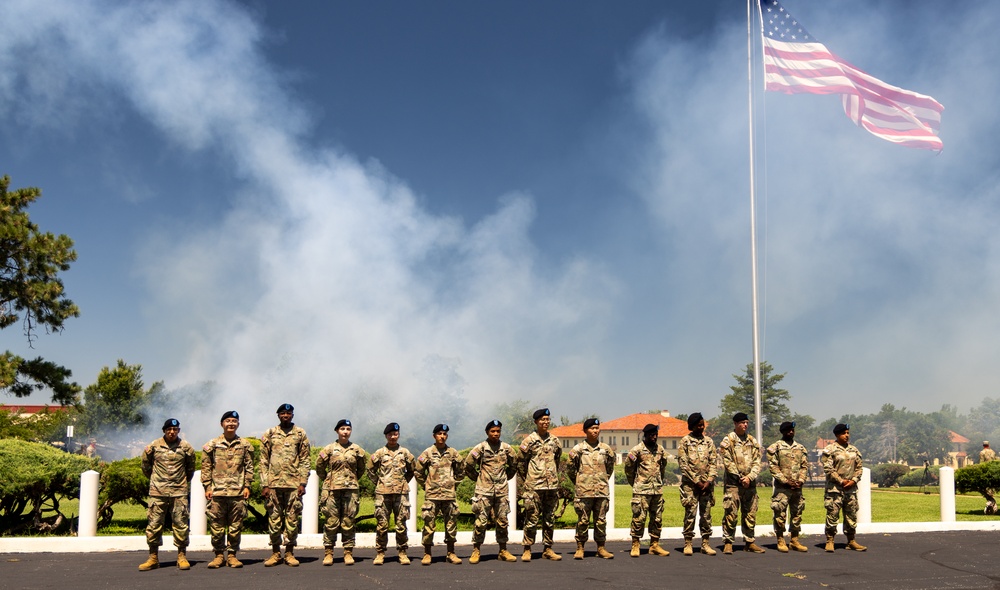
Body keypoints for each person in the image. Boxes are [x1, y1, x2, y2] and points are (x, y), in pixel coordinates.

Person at [138, 418, 196, 571]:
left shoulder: (186, 448)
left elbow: (190, 469)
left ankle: (181, 556)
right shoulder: (153, 447)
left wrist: (180, 482)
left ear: (178, 431)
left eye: (175, 430)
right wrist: (158, 480)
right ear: (164, 430)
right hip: (158, 492)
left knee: (181, 525)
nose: (172, 432)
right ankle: (153, 558)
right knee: (154, 525)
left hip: (179, 492)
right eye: (169, 429)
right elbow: (145, 466)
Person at [201, 410, 254, 569]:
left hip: (237, 492)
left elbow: (249, 467)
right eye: (228, 421)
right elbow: (205, 467)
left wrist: (247, 486)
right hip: (217, 492)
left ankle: (232, 555)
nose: (231, 423)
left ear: (238, 424)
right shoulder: (212, 445)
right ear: (222, 424)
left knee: (235, 525)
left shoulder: (245, 445)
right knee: (216, 526)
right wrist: (207, 486)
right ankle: (218, 555)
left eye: (234, 421)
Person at [260, 403, 311, 567]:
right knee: (274, 520)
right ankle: (275, 553)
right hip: (273, 485)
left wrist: (303, 482)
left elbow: (305, 459)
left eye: (288, 413)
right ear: (278, 416)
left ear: (292, 415)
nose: (286, 416)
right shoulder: (270, 433)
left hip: (293, 484)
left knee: (292, 520)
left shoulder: (300, 434)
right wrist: (265, 484)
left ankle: (289, 553)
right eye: (282, 413)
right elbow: (263, 461)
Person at [464, 419, 517, 564]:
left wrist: (506, 477)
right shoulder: (480, 448)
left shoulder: (506, 448)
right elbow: (468, 465)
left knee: (503, 522)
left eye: (498, 431)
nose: (495, 434)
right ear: (487, 432)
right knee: (480, 523)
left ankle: (503, 550)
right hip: (484, 492)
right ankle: (476, 550)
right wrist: (478, 478)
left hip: (501, 492)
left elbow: (514, 465)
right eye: (492, 431)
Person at [316, 419, 367, 566]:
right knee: (331, 522)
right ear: (337, 431)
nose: (345, 432)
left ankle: (348, 553)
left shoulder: (357, 450)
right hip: (332, 490)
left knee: (348, 521)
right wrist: (328, 479)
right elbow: (320, 467)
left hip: (350, 490)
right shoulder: (329, 449)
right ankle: (328, 553)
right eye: (342, 429)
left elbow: (361, 468)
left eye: (348, 429)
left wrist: (353, 480)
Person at [367, 422, 416, 565]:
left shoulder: (405, 453)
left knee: (401, 525)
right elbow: (370, 470)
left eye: (395, 434)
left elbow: (412, 470)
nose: (393, 437)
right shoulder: (379, 453)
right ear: (386, 436)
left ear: (398, 435)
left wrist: (403, 482)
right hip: (383, 494)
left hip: (401, 494)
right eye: (390, 434)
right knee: (382, 525)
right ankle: (380, 553)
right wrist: (379, 482)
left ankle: (402, 552)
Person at [566, 418, 615, 560]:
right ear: (585, 430)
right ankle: (580, 547)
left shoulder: (606, 449)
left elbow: (609, 468)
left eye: (597, 428)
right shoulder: (578, 449)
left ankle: (601, 547)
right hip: (584, 492)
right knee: (583, 521)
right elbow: (570, 468)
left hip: (601, 492)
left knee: (601, 521)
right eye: (592, 428)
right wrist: (580, 481)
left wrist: (601, 480)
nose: (595, 430)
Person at [415, 424, 464, 565]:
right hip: (432, 496)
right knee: (429, 525)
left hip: (449, 495)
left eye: (444, 434)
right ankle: (427, 554)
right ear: (434, 436)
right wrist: (427, 485)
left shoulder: (453, 453)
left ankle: (451, 553)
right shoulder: (427, 453)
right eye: (439, 434)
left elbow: (461, 471)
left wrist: (454, 484)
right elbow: (418, 472)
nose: (442, 436)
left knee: (451, 525)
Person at [519, 408, 563, 561]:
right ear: (536, 422)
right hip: (534, 487)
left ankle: (548, 549)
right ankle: (527, 549)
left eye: (547, 419)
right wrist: (529, 478)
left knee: (549, 518)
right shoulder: (529, 441)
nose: (545, 422)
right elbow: (521, 463)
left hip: (551, 486)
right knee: (531, 518)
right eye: (542, 420)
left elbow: (556, 460)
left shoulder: (555, 441)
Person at [719, 412, 764, 554]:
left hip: (749, 485)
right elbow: (728, 462)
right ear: (735, 424)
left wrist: (749, 477)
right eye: (742, 422)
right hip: (734, 485)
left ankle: (750, 542)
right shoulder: (728, 441)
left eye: (747, 422)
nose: (745, 425)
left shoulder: (752, 441)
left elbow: (758, 461)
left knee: (750, 514)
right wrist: (740, 477)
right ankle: (728, 542)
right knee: (731, 514)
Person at [623, 423, 670, 558]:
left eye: (656, 434)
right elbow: (629, 469)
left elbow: (662, 468)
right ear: (646, 435)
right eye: (651, 435)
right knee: (639, 518)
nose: (654, 437)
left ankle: (654, 545)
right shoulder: (636, 450)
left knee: (657, 519)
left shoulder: (660, 450)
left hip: (657, 491)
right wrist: (636, 484)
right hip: (641, 491)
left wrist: (659, 483)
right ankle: (635, 544)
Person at [821, 423, 867, 552]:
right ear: (837, 435)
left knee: (851, 515)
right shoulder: (829, 450)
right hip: (835, 490)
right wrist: (841, 481)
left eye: (848, 433)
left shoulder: (854, 450)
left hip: (850, 489)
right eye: (843, 433)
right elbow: (828, 469)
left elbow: (859, 468)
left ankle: (851, 540)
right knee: (832, 515)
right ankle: (830, 540)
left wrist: (853, 480)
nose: (846, 435)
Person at [678, 412, 717, 556]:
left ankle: (705, 543)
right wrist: (696, 481)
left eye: (703, 425)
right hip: (691, 486)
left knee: (706, 515)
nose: (702, 427)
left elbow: (714, 462)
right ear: (692, 426)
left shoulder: (709, 442)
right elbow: (684, 464)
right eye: (699, 425)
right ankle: (688, 542)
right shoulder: (685, 441)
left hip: (707, 486)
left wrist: (709, 480)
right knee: (690, 513)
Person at [767, 421, 809, 553]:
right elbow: (773, 467)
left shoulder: (800, 448)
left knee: (797, 514)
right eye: (788, 430)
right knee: (780, 514)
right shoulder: (776, 447)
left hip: (797, 488)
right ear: (783, 432)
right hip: (782, 488)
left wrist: (801, 480)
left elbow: (804, 466)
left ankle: (794, 540)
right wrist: (786, 481)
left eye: (792, 430)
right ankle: (780, 540)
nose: (791, 432)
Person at [979, 441, 997, 514]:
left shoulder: (982, 452)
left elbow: (982, 463)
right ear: (988, 445)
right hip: (992, 471)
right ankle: (993, 505)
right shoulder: (993, 452)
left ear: (983, 445)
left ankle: (990, 504)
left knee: (986, 490)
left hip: (985, 472)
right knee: (991, 489)